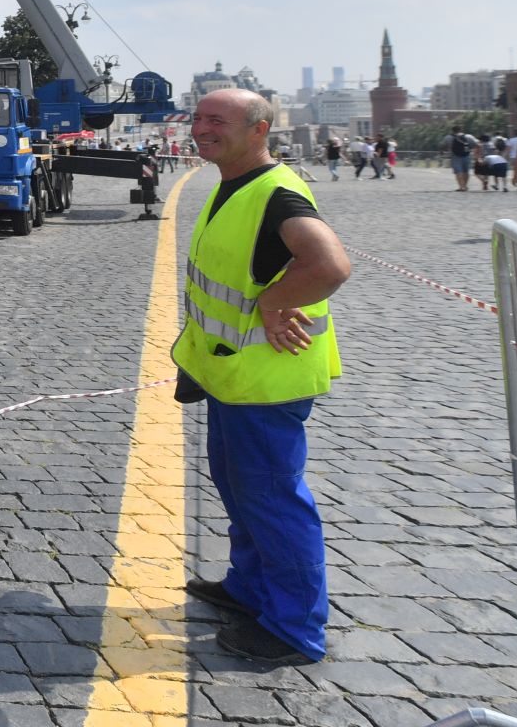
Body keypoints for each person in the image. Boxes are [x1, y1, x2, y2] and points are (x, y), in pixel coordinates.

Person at [175, 88, 350, 666]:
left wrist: (276, 302)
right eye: (199, 117)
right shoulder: (233, 182)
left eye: (217, 120)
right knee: (236, 484)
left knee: (272, 498)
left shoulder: (275, 193)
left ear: (259, 130)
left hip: (266, 380)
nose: (201, 128)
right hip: (233, 374)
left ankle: (295, 628)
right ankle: (250, 590)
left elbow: (328, 265)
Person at [449, 127, 479, 191]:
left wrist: (442, 151)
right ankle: (465, 186)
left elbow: (443, 145)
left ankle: (461, 187)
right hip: (467, 155)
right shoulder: (469, 136)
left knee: (458, 172)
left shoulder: (449, 137)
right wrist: (476, 155)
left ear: (452, 131)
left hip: (455, 156)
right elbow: (477, 145)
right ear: (461, 130)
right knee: (466, 171)